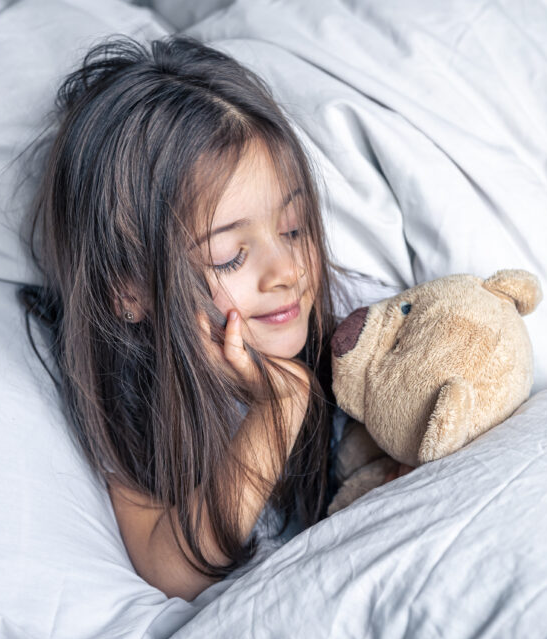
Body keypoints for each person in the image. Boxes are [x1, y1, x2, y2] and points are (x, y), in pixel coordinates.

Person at [18, 36, 340, 601]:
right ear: (129, 290)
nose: (286, 269)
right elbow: (174, 570)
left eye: (293, 228)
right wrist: (279, 407)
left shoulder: (348, 340)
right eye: (229, 256)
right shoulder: (122, 402)